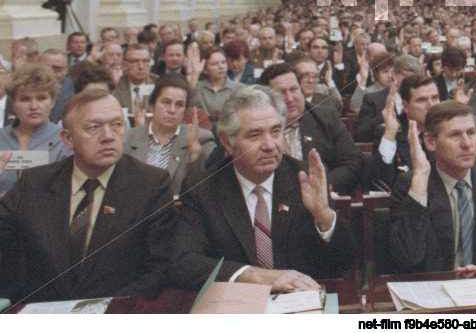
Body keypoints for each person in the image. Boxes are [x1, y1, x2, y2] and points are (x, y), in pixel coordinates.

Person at [169, 86, 354, 292]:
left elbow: (345, 263)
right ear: (227, 143)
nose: (269, 145)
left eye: (275, 132)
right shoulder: (202, 189)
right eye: (255, 135)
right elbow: (184, 262)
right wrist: (255, 276)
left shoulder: (305, 178)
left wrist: (324, 217)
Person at [0, 89, 176, 302]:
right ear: (67, 139)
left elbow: (161, 267)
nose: (108, 136)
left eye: (117, 125)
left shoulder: (151, 184)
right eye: (94, 127)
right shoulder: (35, 183)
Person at [388, 101, 476, 273]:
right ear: (431, 142)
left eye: (471, 133)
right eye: (455, 135)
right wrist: (420, 180)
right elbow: (407, 257)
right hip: (434, 288)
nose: (467, 143)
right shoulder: (411, 184)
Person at [260, 63, 362, 196]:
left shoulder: (326, 118)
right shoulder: (259, 126)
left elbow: (352, 162)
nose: (290, 99)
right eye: (281, 93)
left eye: (294, 89)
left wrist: (323, 186)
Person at [124, 74, 216, 197]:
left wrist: (194, 151)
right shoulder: (128, 138)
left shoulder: (201, 138)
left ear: (185, 110)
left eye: (179, 105)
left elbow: (205, 188)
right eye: (166, 102)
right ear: (152, 105)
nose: (172, 110)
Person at [0, 63, 71, 196]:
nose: (34, 106)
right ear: (13, 103)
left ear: (53, 101)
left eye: (41, 98)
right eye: (25, 99)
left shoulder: (65, 140)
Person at [371, 75, 441, 192]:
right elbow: (381, 184)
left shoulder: (446, 130)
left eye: (435, 98)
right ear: (406, 106)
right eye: (422, 100)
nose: (431, 105)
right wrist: (389, 135)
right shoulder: (390, 131)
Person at [188, 45, 242, 116]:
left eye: (223, 62)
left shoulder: (239, 88)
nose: (221, 66)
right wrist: (195, 73)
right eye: (214, 64)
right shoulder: (198, 87)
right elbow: (190, 105)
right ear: (205, 70)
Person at [112, 45, 158, 119]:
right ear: (124, 65)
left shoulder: (159, 83)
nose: (141, 67)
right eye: (135, 62)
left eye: (145, 61)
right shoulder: (116, 84)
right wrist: (113, 85)